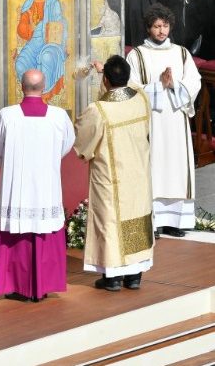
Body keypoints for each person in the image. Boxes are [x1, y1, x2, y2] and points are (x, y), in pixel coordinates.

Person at [0, 70, 74, 302]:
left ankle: (16, 286)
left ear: (21, 87)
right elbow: (67, 145)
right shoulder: (59, 116)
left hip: (17, 191)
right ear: (44, 87)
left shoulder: (7, 116)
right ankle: (45, 285)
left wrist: (1, 161)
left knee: (17, 235)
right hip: (46, 188)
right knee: (45, 232)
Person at [75, 55, 153, 291]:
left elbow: (82, 144)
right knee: (136, 221)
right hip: (138, 176)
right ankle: (135, 275)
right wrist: (108, 74)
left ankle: (113, 278)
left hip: (110, 178)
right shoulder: (141, 99)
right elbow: (133, 86)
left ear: (106, 80)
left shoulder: (98, 110)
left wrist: (102, 74)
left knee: (110, 222)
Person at [126, 3, 201, 238]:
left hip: (175, 119)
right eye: (157, 26)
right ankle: (153, 221)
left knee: (176, 168)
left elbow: (194, 82)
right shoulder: (136, 55)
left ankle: (175, 221)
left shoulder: (181, 53)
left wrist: (174, 85)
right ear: (148, 28)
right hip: (153, 121)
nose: (161, 31)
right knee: (154, 167)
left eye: (165, 26)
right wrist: (159, 86)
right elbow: (131, 87)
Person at [14, 0, 68, 103]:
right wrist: (32, 26)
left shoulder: (53, 2)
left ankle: (44, 98)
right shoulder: (28, 3)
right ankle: (30, 99)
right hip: (34, 42)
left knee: (47, 58)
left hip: (51, 43)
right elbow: (22, 31)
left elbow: (58, 28)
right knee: (20, 64)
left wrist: (51, 38)